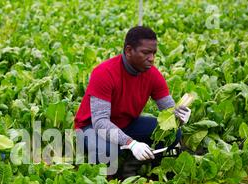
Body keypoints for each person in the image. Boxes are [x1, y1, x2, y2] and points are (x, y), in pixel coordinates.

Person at [74, 26, 191, 174]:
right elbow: (100, 122)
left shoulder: (152, 74)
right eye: (146, 53)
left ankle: (135, 163)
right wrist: (131, 143)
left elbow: (168, 109)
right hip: (90, 127)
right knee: (109, 150)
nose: (152, 59)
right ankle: (110, 178)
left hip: (126, 124)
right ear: (129, 51)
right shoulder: (104, 73)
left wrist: (179, 116)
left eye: (154, 53)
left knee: (175, 133)